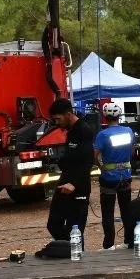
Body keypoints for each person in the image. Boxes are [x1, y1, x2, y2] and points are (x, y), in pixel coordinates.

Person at [47, 98, 95, 248]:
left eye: (58, 119)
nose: (56, 122)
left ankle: (76, 255)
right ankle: (67, 248)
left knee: (75, 229)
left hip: (78, 187)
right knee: (53, 224)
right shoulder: (70, 131)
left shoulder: (84, 130)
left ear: (68, 114)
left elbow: (87, 161)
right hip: (64, 183)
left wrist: (74, 183)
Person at [93, 102, 135, 250]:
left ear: (105, 117)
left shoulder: (102, 135)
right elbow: (131, 152)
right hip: (125, 176)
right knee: (126, 211)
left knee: (108, 213)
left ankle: (109, 244)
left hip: (109, 177)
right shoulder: (128, 131)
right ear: (119, 116)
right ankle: (129, 241)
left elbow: (95, 156)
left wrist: (101, 166)